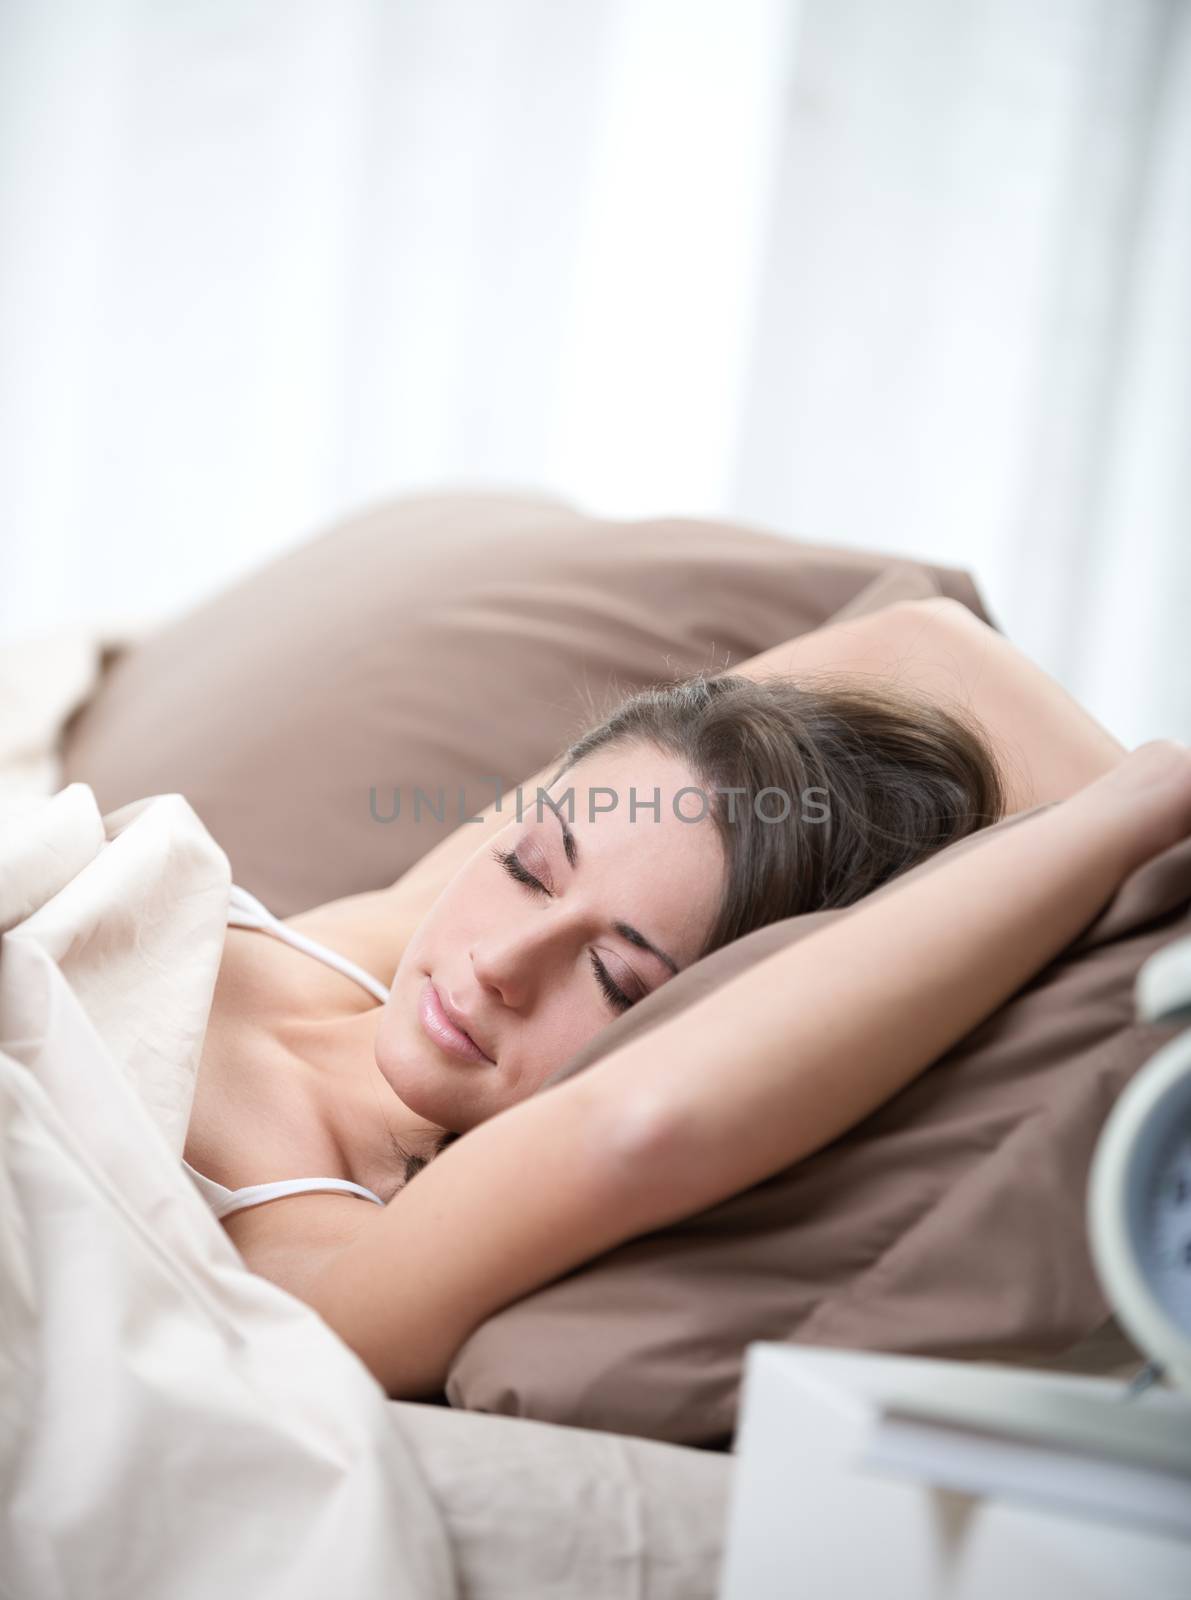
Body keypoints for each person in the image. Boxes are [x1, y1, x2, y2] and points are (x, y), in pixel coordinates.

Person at [184, 596, 1152, 1394]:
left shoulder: (320, 1261)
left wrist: (1129, 817)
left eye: (615, 977)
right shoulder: (378, 938)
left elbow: (639, 1127)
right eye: (529, 865)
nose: (501, 964)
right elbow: (925, 643)